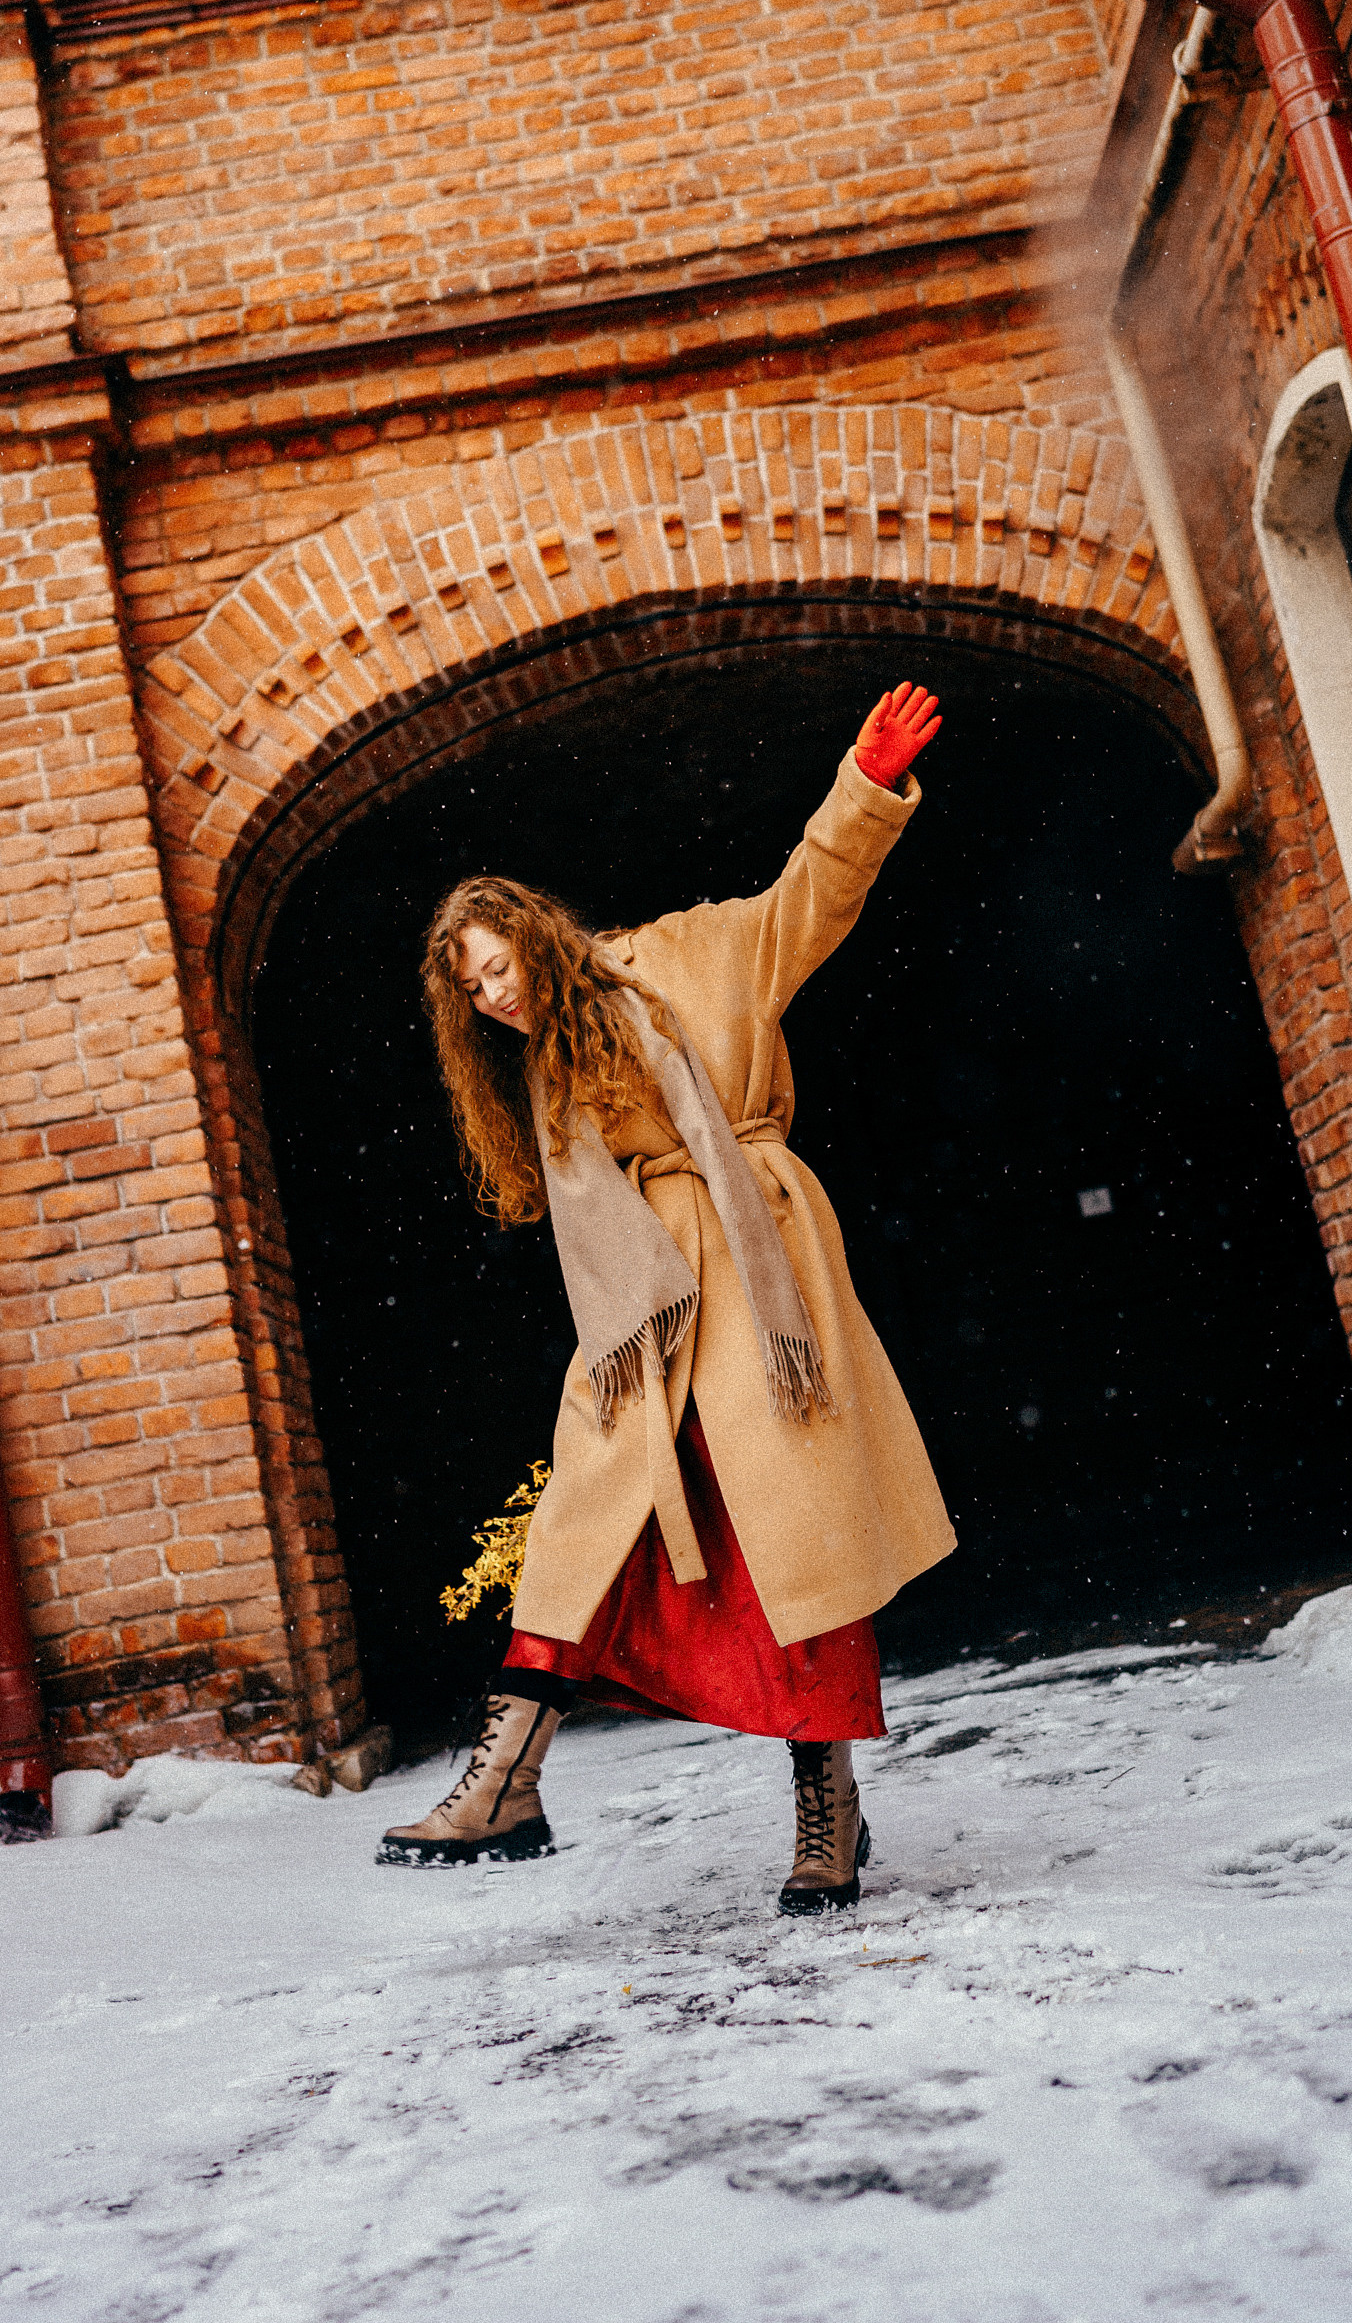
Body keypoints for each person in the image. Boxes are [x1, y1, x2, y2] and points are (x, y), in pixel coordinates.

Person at [377, 683, 954, 1910]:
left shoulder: (687, 954)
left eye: (498, 967)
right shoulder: (541, 1076)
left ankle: (826, 1807)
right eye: (472, 992)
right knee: (589, 1517)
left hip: (757, 1261)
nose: (494, 997)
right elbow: (586, 1224)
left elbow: (811, 897)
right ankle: (508, 1775)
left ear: (535, 932)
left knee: (792, 1539)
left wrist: (863, 787)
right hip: (642, 1309)